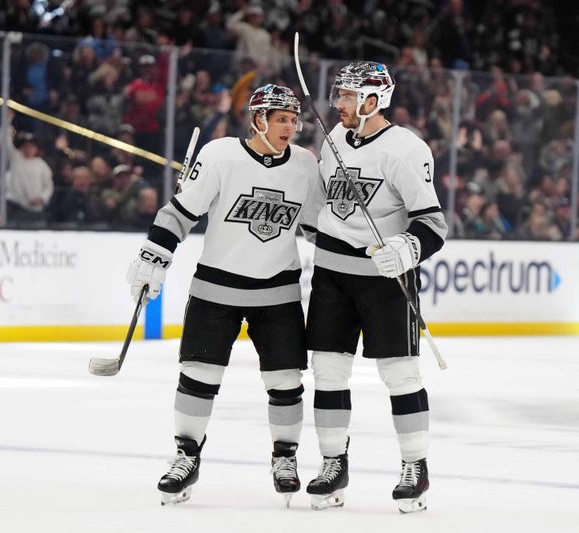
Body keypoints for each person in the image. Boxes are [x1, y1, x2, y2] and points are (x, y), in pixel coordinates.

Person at [125, 84, 319, 507]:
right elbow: (181, 211)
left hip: (278, 291)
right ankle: (186, 456)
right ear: (258, 119)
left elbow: (317, 227)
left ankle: (285, 458)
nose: (288, 126)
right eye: (279, 118)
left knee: (286, 382)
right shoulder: (219, 155)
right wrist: (153, 254)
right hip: (216, 287)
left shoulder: (306, 165)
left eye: (292, 119)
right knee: (199, 376)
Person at [300, 61, 448, 513]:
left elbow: (434, 224)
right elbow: (326, 206)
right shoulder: (332, 140)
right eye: (338, 95)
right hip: (330, 276)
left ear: (372, 100)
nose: (337, 104)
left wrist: (407, 247)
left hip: (385, 280)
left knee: (400, 376)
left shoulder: (405, 150)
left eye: (346, 96)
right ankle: (332, 464)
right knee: (327, 372)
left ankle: (415, 467)